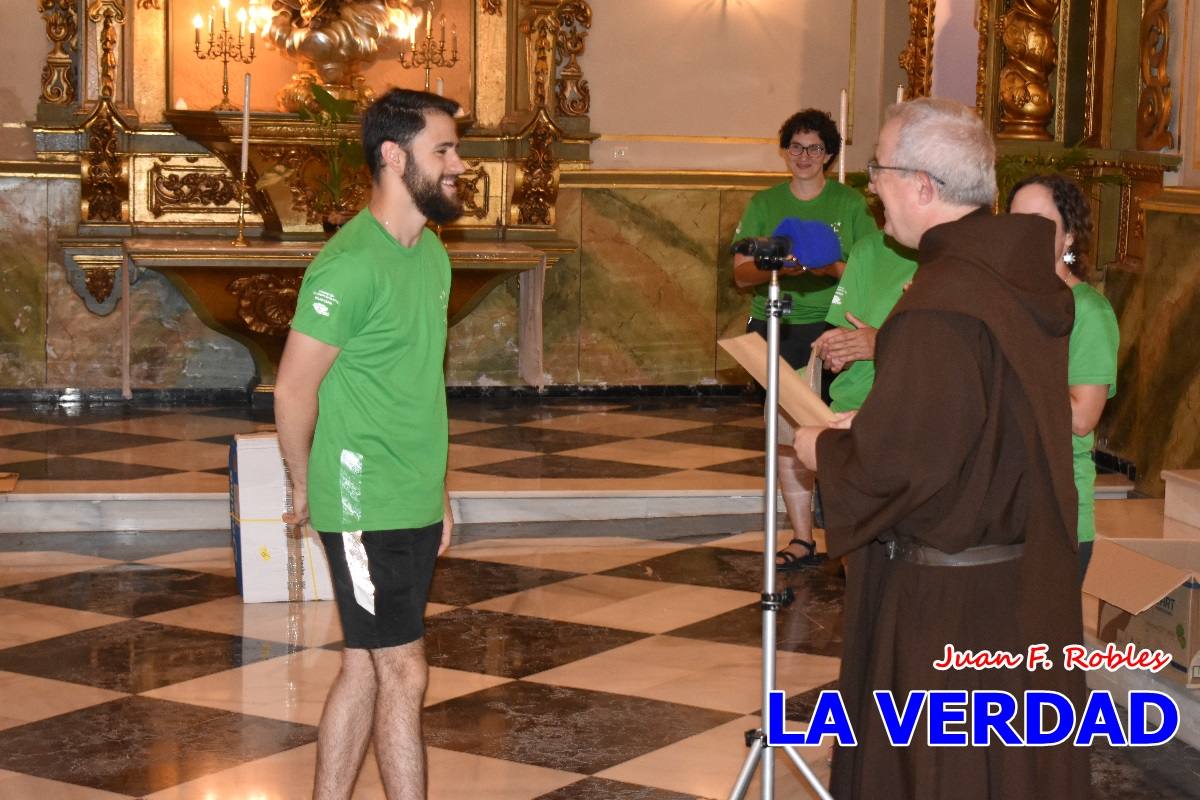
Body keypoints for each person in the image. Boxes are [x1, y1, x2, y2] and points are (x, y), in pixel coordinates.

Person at [793, 98, 1089, 799]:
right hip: (1014, 586)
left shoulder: (942, 299)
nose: (872, 190)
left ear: (923, 186)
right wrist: (880, 420)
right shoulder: (1016, 279)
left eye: (880, 173)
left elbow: (905, 466)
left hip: (943, 599)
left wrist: (823, 451)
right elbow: (975, 426)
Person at [274, 88, 465, 800]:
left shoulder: (432, 257)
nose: (458, 164)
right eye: (442, 150)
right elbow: (294, 390)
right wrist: (303, 485)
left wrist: (439, 490)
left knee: (366, 663)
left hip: (410, 493)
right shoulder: (348, 264)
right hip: (361, 499)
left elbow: (420, 386)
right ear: (394, 155)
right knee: (404, 670)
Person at [732, 108, 877, 571]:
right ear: (785, 152)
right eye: (796, 146)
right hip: (776, 326)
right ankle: (801, 537)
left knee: (835, 432)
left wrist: (828, 267)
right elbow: (739, 275)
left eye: (814, 147)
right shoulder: (765, 204)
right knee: (786, 436)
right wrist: (779, 267)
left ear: (830, 155)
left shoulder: (850, 204)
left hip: (834, 331)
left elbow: (868, 271)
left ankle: (845, 532)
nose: (804, 156)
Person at [1009, 174, 1119, 578]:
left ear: (1069, 236)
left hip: (1053, 509)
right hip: (996, 506)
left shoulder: (1087, 311)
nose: (1024, 234)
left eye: (1039, 222)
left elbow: (1080, 418)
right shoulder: (1002, 301)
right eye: (1015, 221)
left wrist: (1016, 353)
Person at [813, 229, 918, 413]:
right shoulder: (870, 247)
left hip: (911, 415)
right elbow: (848, 355)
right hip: (852, 409)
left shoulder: (959, 255)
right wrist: (838, 350)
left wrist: (881, 342)